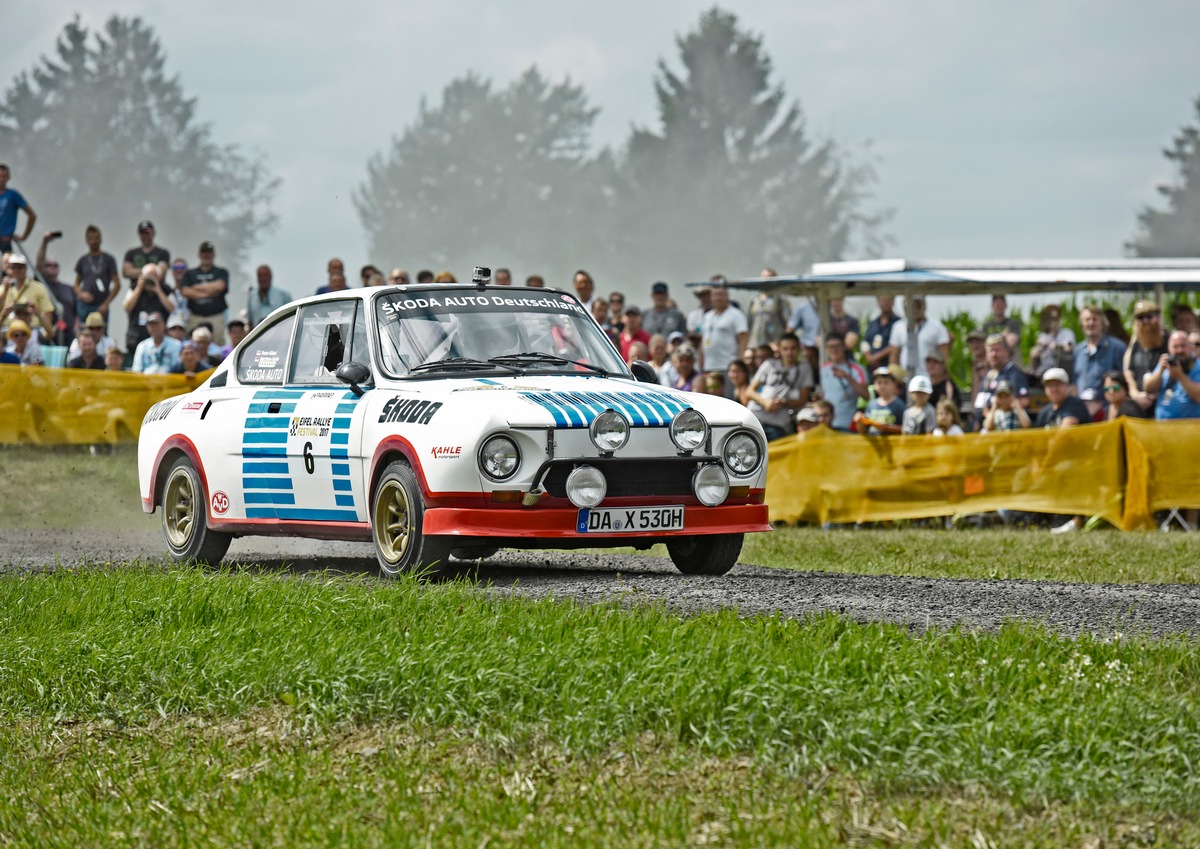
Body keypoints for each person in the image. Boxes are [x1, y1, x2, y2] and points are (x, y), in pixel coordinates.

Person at [746, 333, 810, 441]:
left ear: (799, 349)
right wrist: (765, 402)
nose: (789, 352)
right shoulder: (769, 364)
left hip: (778, 423)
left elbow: (803, 399)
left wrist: (784, 403)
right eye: (785, 349)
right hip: (754, 417)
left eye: (793, 348)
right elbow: (749, 391)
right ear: (780, 349)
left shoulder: (804, 368)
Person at [701, 283, 748, 393]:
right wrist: (701, 362)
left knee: (728, 399)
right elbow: (703, 341)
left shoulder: (736, 314)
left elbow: (743, 338)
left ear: (727, 296)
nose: (718, 297)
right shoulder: (708, 316)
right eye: (715, 295)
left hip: (728, 367)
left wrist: (740, 363)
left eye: (721, 294)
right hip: (709, 367)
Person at [179, 241, 229, 343]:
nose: (206, 255)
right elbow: (185, 291)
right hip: (195, 317)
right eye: (204, 252)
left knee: (218, 344)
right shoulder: (190, 273)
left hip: (216, 316)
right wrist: (210, 292)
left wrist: (196, 287)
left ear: (214, 255)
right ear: (199, 254)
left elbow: (220, 287)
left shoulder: (221, 272)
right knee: (193, 344)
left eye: (209, 252)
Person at [1123, 300, 1167, 415]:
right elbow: (1128, 371)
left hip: (1162, 402)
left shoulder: (1169, 341)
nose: (1145, 321)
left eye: (1149, 317)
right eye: (1140, 318)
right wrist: (1135, 393)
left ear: (1158, 317)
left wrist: (1153, 394)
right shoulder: (1137, 343)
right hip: (1139, 403)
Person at [975, 334, 1029, 427]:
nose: (994, 354)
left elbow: (1024, 400)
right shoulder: (988, 376)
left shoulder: (1015, 374)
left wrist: (997, 412)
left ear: (1006, 352)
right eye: (990, 351)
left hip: (1006, 425)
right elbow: (980, 404)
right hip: (985, 426)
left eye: (997, 350)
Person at [889, 295, 949, 378]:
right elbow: (894, 355)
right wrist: (894, 376)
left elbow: (944, 356)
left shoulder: (937, 327)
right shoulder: (898, 326)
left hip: (928, 377)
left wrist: (939, 378)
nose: (915, 309)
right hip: (905, 377)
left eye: (918, 306)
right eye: (911, 306)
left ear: (924, 307)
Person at [122, 263, 176, 354]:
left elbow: (172, 308)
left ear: (159, 277)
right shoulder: (134, 288)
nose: (150, 279)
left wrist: (158, 290)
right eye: (148, 276)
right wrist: (139, 288)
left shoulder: (165, 289)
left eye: (154, 276)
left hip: (160, 340)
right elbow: (127, 307)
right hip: (136, 337)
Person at [1073, 304, 1126, 397]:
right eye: (1087, 320)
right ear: (1081, 324)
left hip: (1108, 407)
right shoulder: (1078, 351)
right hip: (1082, 408)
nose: (1091, 323)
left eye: (1095, 319)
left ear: (1103, 323)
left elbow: (1125, 378)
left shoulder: (1117, 347)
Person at [820, 332, 869, 431]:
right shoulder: (823, 368)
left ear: (844, 347)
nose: (834, 350)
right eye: (830, 347)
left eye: (837, 346)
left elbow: (866, 395)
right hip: (827, 424)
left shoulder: (857, 369)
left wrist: (848, 377)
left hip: (847, 424)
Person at [1146, 331, 1200, 421]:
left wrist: (1180, 376)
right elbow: (1149, 389)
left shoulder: (1197, 366)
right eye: (1175, 347)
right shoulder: (1165, 364)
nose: (1179, 350)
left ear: (1190, 347)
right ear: (1169, 349)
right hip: (1162, 429)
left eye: (1183, 346)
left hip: (1190, 430)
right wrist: (1160, 371)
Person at [1, 254, 57, 341]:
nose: (16, 270)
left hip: (33, 330)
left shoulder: (38, 287)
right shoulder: (2, 288)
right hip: (9, 330)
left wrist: (37, 313)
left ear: (26, 269)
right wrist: (5, 312)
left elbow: (48, 321)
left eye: (20, 267)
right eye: (13, 267)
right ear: (8, 269)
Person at [35, 231, 77, 346]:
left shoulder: (68, 288)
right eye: (49, 265)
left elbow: (76, 312)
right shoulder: (42, 285)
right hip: (49, 333)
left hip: (68, 335)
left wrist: (75, 330)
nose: (52, 267)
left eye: (55, 265)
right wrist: (45, 242)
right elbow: (38, 265)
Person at [73, 225, 120, 321]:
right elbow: (76, 284)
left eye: (96, 238)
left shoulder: (109, 259)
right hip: (85, 305)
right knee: (84, 332)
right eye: (91, 238)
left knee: (100, 331)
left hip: (101, 305)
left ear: (100, 240)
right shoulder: (83, 260)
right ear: (86, 241)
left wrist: (106, 304)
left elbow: (117, 284)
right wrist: (81, 294)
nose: (94, 241)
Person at [121, 220, 170, 293]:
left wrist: (138, 272)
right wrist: (149, 271)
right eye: (142, 233)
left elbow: (161, 273)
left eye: (147, 233)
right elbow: (126, 272)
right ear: (139, 235)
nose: (145, 236)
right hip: (135, 294)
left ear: (153, 233)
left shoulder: (163, 253)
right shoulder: (131, 253)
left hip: (157, 295)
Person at [1029, 304, 1075, 379]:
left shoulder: (1067, 333)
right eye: (1050, 318)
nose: (1053, 322)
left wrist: (1054, 346)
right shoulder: (1042, 336)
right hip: (1042, 375)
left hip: (1060, 375)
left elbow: (1068, 348)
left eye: (1055, 318)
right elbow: (1034, 366)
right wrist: (1033, 357)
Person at [855, 367, 905, 435]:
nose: (882, 386)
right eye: (879, 382)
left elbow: (905, 429)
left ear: (893, 384)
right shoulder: (871, 405)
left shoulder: (899, 405)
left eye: (886, 382)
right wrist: (859, 422)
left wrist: (887, 428)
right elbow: (864, 431)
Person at [748, 268, 790, 347]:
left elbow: (788, 325)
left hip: (774, 345)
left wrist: (782, 344)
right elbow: (749, 324)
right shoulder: (754, 301)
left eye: (769, 277)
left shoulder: (780, 300)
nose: (765, 279)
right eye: (763, 277)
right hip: (756, 346)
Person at [0, 163, 36, 253]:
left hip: (5, 241)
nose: (1, 179)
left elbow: (32, 215)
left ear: (8, 178)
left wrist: (24, 237)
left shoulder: (13, 195)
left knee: (9, 266)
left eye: (3, 176)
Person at [981, 294, 1023, 366]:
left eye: (1001, 303)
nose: (999, 306)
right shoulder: (987, 326)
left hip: (1011, 365)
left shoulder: (1013, 323)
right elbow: (983, 346)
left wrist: (992, 341)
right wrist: (1003, 336)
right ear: (992, 306)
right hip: (992, 367)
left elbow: (1010, 343)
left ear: (1006, 305)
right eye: (996, 303)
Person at [245, 264, 292, 329]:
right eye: (260, 276)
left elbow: (291, 317)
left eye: (265, 275)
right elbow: (250, 321)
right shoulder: (252, 296)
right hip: (258, 336)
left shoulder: (283, 294)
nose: (263, 279)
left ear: (271, 277)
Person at [862, 295, 900, 371]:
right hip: (872, 368)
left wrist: (876, 357)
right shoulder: (873, 323)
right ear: (878, 302)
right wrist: (869, 357)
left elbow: (895, 346)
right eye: (883, 300)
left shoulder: (898, 323)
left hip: (888, 367)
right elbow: (865, 342)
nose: (885, 303)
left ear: (893, 302)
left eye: (887, 300)